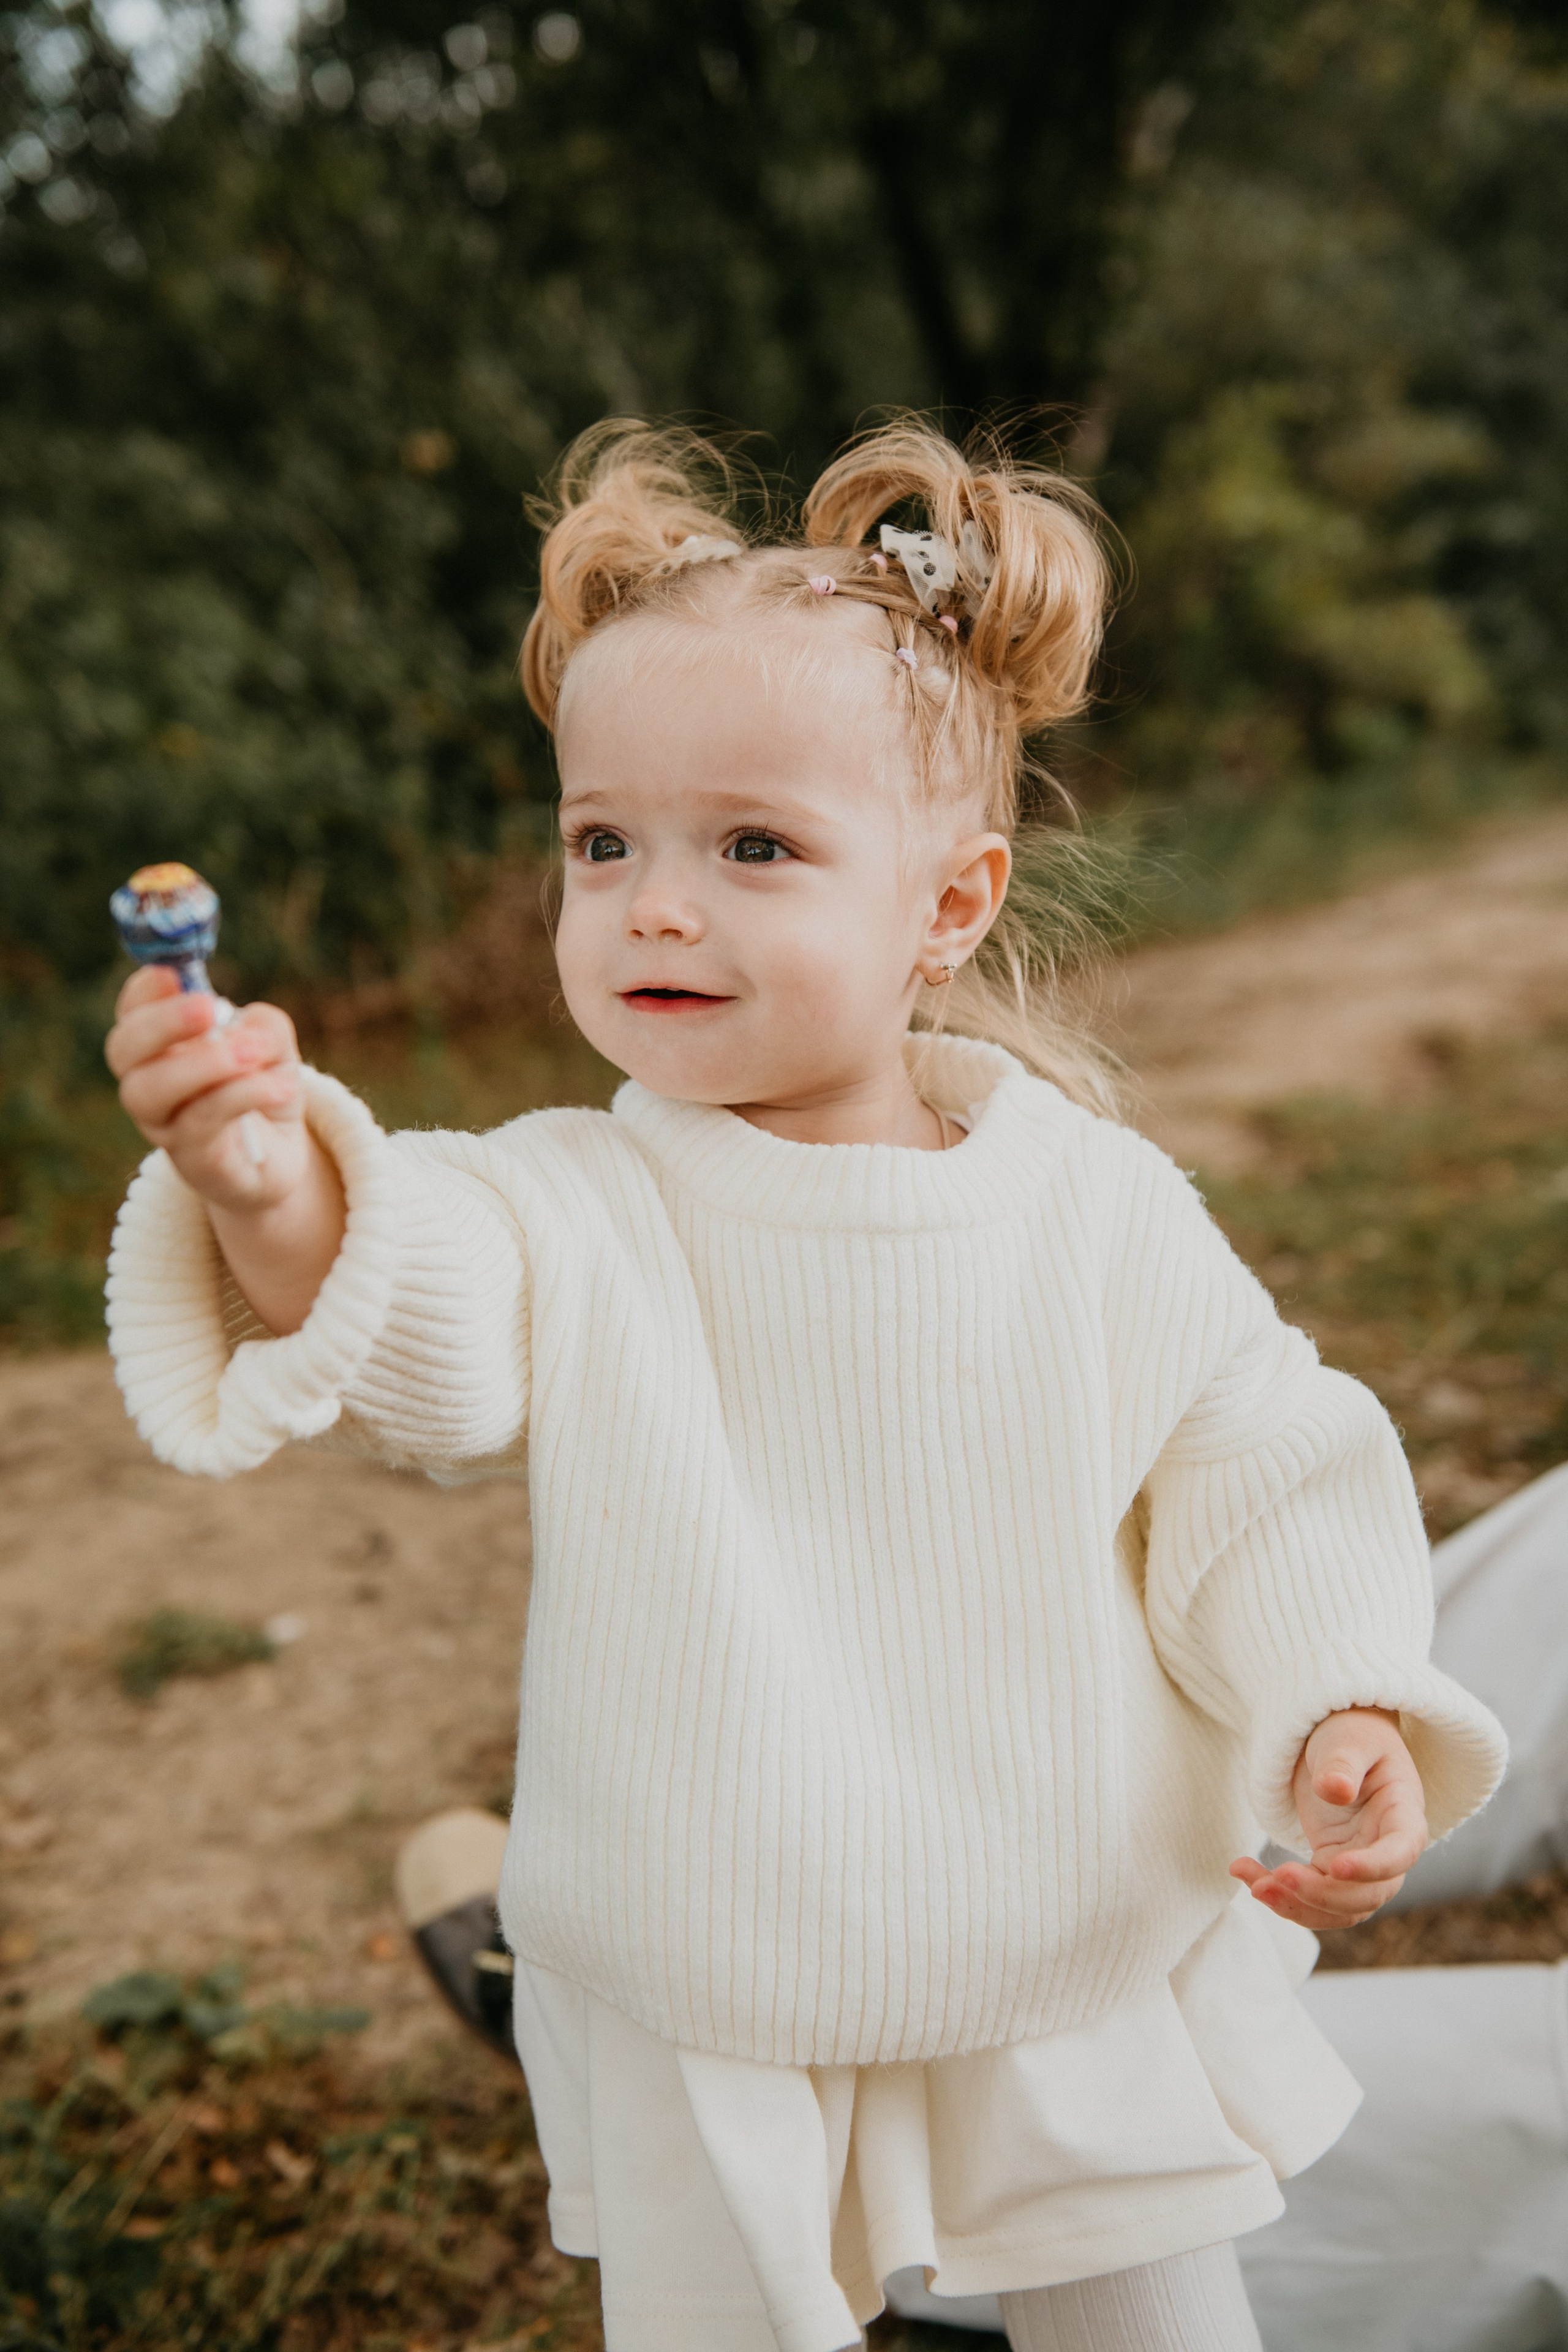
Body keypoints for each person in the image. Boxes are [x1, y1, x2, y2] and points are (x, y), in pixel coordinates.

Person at [102, 420, 1507, 2352]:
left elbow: (1256, 1455)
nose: (655, 904)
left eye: (753, 846)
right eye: (606, 843)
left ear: (950, 901)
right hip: (717, 1956)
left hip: (1067, 1927)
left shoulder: (1088, 1206)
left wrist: (1337, 1688)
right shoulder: (580, 1200)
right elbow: (420, 1303)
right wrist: (269, 1178)